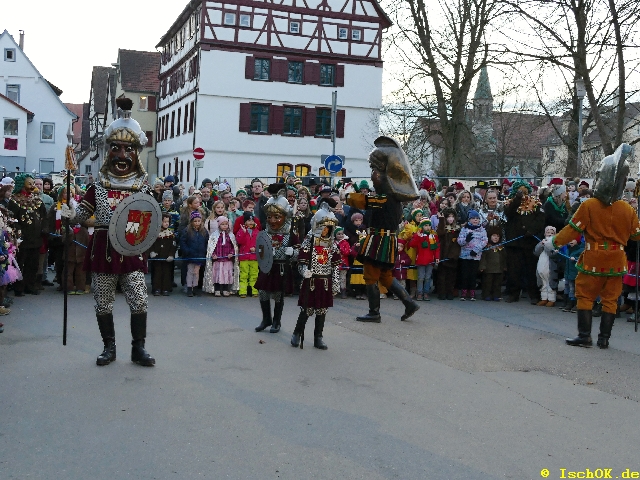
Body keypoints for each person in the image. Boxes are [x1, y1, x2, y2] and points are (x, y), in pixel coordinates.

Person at [60, 97, 156, 366]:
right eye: (116, 148)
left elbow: (151, 219)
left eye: (128, 149)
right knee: (103, 301)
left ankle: (138, 348)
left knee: (139, 300)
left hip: (131, 250)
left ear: (136, 153)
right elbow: (80, 217)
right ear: (108, 151)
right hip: (103, 250)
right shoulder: (97, 188)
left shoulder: (142, 189)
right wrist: (70, 213)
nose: (122, 155)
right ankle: (109, 348)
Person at [547, 144, 640, 348]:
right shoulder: (627, 209)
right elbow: (636, 235)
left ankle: (584, 336)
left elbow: (573, 230)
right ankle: (604, 339)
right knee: (610, 299)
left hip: (594, 258)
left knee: (585, 295)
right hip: (617, 260)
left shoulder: (589, 205)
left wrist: (554, 242)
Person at [345, 136, 420, 322]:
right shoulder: (391, 197)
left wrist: (346, 195)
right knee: (385, 275)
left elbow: (363, 201)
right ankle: (409, 303)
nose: (373, 174)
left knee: (370, 274)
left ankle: (374, 312)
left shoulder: (384, 197)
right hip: (386, 240)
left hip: (379, 240)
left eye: (375, 170)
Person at [291, 199, 341, 350]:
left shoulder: (332, 244)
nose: (327, 230)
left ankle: (318, 337)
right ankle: (297, 333)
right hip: (311, 280)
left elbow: (335, 265)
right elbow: (302, 260)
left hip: (325, 281)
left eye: (330, 227)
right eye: (325, 227)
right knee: (307, 309)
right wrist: (304, 271)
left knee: (322, 310)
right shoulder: (309, 241)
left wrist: (336, 282)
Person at [254, 184, 300, 333]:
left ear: (285, 217)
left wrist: (293, 252)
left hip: (281, 267)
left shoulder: (290, 233)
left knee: (278, 295)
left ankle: (276, 321)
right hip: (267, 267)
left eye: (277, 217)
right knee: (263, 293)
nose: (272, 220)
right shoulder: (265, 233)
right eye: (269, 217)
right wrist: (264, 252)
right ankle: (266, 319)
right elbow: (260, 249)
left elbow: (301, 250)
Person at [503, 180, 545, 304]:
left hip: (529, 242)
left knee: (531, 270)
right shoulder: (510, 203)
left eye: (525, 191)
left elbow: (541, 219)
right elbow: (509, 213)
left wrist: (532, 230)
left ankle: (534, 295)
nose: (523, 194)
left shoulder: (535, 203)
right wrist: (517, 199)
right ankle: (513, 294)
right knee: (514, 270)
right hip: (514, 244)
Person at [7, 174, 48, 296]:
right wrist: (18, 232)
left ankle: (30, 285)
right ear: (22, 184)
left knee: (33, 264)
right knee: (20, 263)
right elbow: (12, 219)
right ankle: (19, 287)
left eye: (33, 183)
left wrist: (44, 228)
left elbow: (44, 217)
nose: (32, 186)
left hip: (36, 238)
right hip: (22, 239)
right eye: (29, 183)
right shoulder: (14, 200)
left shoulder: (37, 200)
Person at [457, 210, 488, 301]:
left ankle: (472, 292)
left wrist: (476, 250)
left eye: (477, 218)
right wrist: (466, 240)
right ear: (469, 219)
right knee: (465, 274)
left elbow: (484, 241)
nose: (475, 220)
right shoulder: (464, 229)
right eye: (473, 218)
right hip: (465, 255)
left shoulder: (482, 229)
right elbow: (459, 241)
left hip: (475, 256)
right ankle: (464, 292)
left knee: (473, 275)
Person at [203, 216, 238, 297]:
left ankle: (225, 289)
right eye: (223, 224)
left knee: (226, 275)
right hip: (218, 260)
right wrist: (213, 255)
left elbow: (234, 246)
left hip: (227, 260)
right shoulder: (214, 235)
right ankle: (217, 289)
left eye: (226, 224)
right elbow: (211, 247)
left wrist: (232, 253)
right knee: (217, 275)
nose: (225, 226)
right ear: (219, 225)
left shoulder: (230, 235)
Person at [409, 218, 440, 301]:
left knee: (428, 277)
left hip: (430, 261)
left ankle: (426, 293)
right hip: (421, 260)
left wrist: (437, 257)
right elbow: (412, 244)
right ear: (422, 226)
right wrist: (418, 237)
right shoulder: (419, 235)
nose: (428, 227)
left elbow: (437, 248)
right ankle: (419, 293)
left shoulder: (433, 236)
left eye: (429, 225)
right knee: (421, 277)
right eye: (426, 225)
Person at [180, 211, 209, 297]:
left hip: (200, 255)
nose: (197, 223)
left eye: (198, 221)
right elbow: (183, 241)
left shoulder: (204, 231)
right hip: (190, 254)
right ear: (191, 221)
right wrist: (186, 250)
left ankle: (195, 287)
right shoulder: (187, 230)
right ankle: (189, 287)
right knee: (190, 271)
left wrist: (205, 251)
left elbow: (207, 241)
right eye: (195, 221)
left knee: (196, 272)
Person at [148, 213, 177, 296]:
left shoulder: (170, 234)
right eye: (164, 222)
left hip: (166, 258)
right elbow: (150, 244)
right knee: (157, 273)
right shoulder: (154, 233)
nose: (166, 223)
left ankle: (166, 288)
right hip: (157, 257)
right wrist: (152, 252)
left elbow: (173, 246)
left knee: (166, 273)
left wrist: (171, 255)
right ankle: (156, 288)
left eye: (168, 222)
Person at [479, 226, 507, 301]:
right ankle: (486, 295)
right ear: (490, 236)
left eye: (498, 236)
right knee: (487, 283)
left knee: (497, 284)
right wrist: (482, 266)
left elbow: (504, 258)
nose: (496, 238)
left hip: (499, 269)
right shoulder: (487, 247)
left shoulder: (501, 247)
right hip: (488, 269)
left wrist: (505, 266)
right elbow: (483, 257)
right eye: (494, 236)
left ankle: (496, 295)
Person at [534, 226, 559, 307]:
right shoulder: (542, 242)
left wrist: (547, 245)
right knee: (542, 282)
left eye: (552, 233)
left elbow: (552, 254)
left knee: (550, 282)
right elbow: (536, 252)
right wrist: (541, 244)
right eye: (548, 233)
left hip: (550, 267)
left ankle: (551, 299)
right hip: (541, 265)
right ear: (545, 234)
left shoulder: (555, 244)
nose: (549, 234)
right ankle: (544, 298)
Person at [235, 212, 259, 298]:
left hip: (254, 257)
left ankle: (254, 291)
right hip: (244, 257)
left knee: (254, 275)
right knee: (243, 275)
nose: (251, 222)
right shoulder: (241, 231)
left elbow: (260, 243)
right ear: (245, 222)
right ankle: (243, 291)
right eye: (249, 220)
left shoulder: (257, 231)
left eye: (252, 220)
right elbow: (239, 241)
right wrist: (244, 232)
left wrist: (255, 248)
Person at [561, 236, 584, 313]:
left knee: (574, 289)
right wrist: (557, 252)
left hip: (575, 273)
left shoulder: (580, 250)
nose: (570, 241)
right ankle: (568, 303)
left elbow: (582, 259)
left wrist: (576, 259)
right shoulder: (568, 250)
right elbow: (562, 257)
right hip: (568, 273)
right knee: (568, 288)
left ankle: (574, 304)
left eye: (573, 239)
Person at [334, 227, 351, 298]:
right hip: (335, 263)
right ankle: (334, 291)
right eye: (338, 234)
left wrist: (340, 249)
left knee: (343, 278)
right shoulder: (333, 243)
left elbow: (347, 252)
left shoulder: (345, 243)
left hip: (343, 263)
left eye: (342, 234)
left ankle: (343, 291)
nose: (340, 235)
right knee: (335, 277)